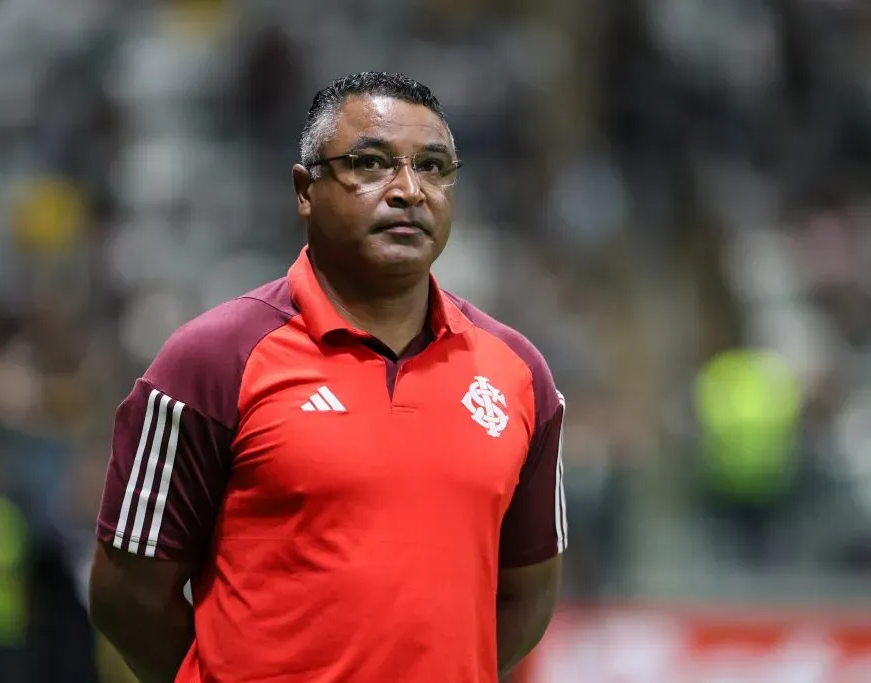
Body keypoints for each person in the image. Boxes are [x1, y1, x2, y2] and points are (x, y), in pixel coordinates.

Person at [88, 71, 567, 683]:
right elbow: (127, 597)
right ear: (305, 189)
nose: (408, 191)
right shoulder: (212, 361)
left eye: (433, 167)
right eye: (369, 163)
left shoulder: (519, 373)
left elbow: (527, 593)